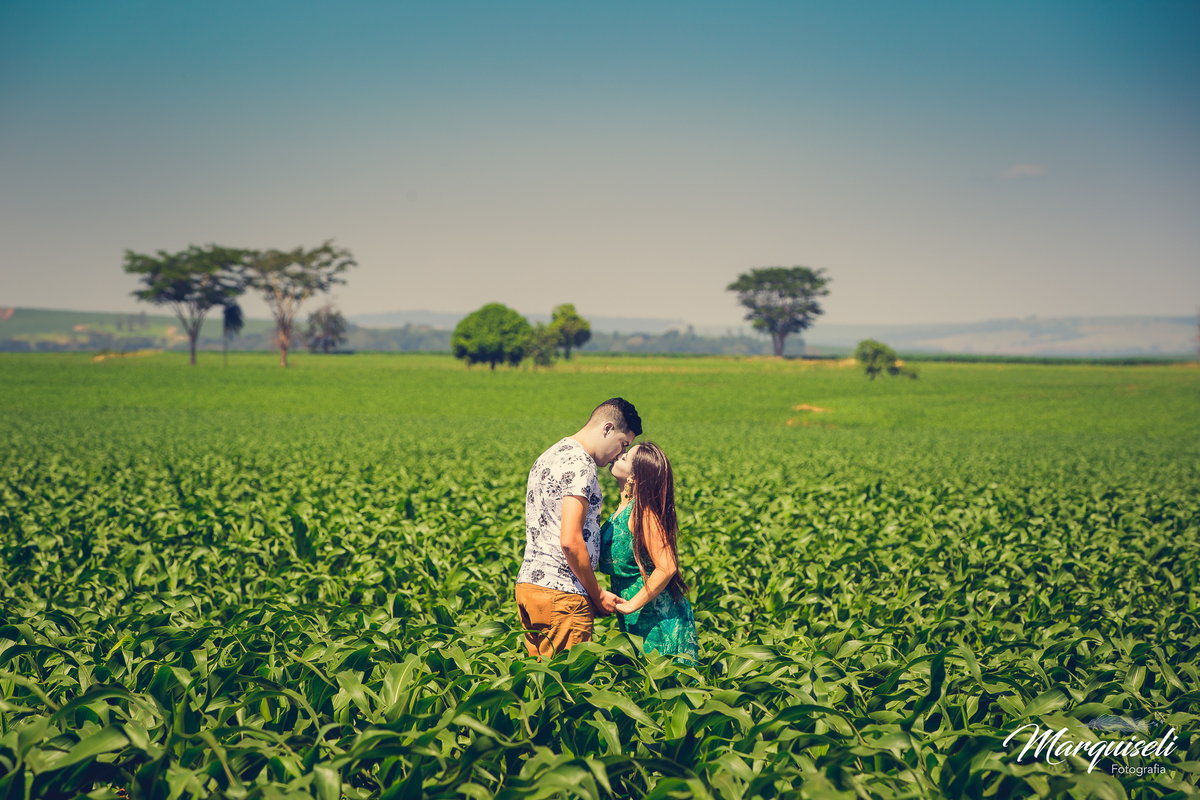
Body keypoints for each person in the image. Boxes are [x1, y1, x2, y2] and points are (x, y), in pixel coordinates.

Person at [515, 398, 642, 657]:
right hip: (563, 593)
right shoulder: (581, 464)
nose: (620, 454)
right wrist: (597, 594)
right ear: (607, 428)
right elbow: (571, 541)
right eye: (623, 444)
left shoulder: (551, 454)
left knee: (541, 683)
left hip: (530, 586)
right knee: (568, 689)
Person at [599, 442, 700, 665]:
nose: (618, 456)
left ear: (633, 478)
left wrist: (630, 605)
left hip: (657, 618)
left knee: (663, 686)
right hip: (636, 616)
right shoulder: (623, 508)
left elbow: (667, 566)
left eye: (625, 458)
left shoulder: (643, 513)